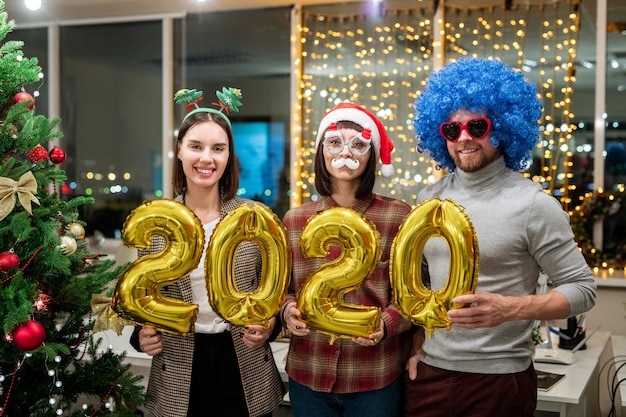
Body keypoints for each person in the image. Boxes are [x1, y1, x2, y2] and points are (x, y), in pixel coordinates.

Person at [404, 57, 597, 417]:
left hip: (499, 382)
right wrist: (416, 346)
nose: (464, 138)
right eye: (451, 129)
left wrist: (511, 308)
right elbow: (424, 286)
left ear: (503, 128)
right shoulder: (427, 200)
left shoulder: (533, 205)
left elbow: (582, 289)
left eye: (477, 126)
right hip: (429, 375)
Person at [129, 88, 285, 417]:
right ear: (180, 152)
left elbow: (275, 296)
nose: (206, 158)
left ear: (229, 156)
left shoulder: (254, 220)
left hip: (245, 366)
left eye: (218, 148)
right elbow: (143, 301)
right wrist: (139, 337)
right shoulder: (157, 224)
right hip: (177, 370)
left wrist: (271, 325)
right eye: (196, 146)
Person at [280, 101, 413, 417]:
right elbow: (279, 292)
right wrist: (286, 312)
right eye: (335, 142)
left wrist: (386, 323)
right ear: (321, 151)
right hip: (307, 375)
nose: (346, 153)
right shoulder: (295, 220)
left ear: (371, 155)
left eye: (359, 145)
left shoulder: (398, 216)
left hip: (373, 379)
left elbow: (415, 299)